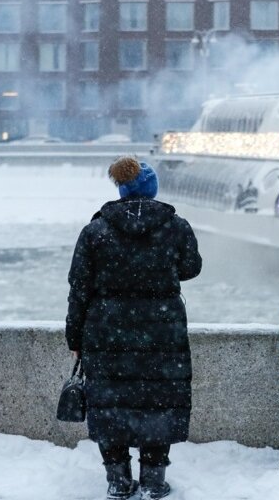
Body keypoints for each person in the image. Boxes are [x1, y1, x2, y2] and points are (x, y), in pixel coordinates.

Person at [66, 156, 201, 500]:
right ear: (151, 190)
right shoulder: (175, 226)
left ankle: (118, 480)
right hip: (162, 331)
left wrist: (75, 335)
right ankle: (154, 480)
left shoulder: (96, 230)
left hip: (107, 330)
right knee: (158, 399)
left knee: (111, 402)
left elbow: (79, 286)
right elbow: (191, 268)